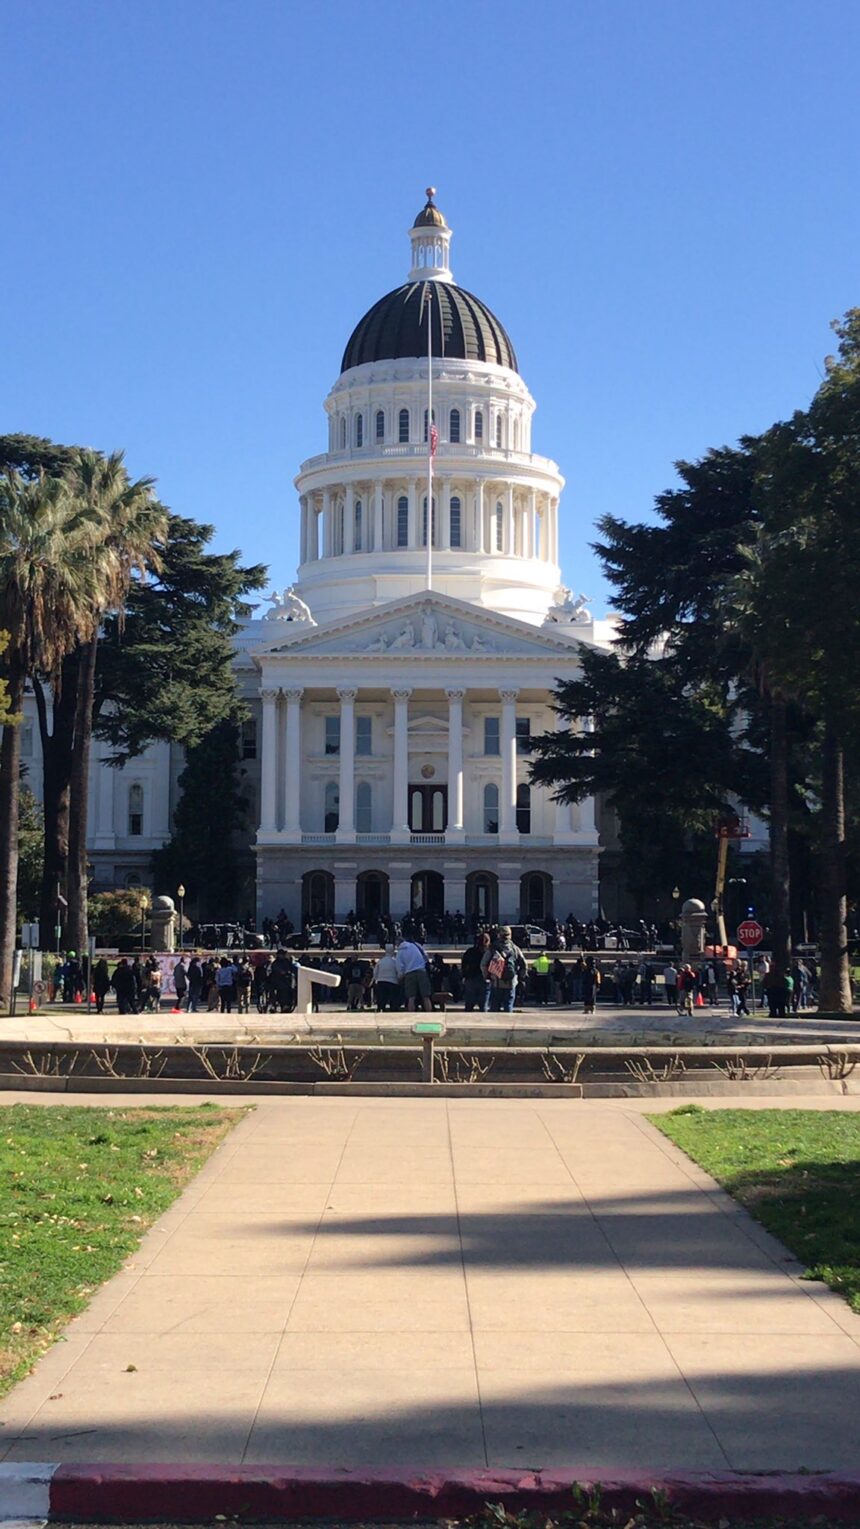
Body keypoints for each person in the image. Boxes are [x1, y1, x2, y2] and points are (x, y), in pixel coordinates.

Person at [481, 926, 525, 1014]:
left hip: (496, 982)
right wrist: (520, 977)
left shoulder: (493, 949)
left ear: (499, 935)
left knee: (494, 1007)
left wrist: (487, 976)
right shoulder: (515, 949)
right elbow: (524, 964)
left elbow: (483, 964)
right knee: (508, 1006)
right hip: (511, 982)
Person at [395, 936, 432, 1012]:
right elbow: (425, 956)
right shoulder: (415, 945)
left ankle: (411, 1014)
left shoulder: (400, 953)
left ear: (397, 944)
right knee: (426, 996)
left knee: (411, 997)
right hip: (421, 971)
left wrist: (400, 977)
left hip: (409, 973)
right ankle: (429, 1013)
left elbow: (400, 967)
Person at [372, 945, 400, 1011]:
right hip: (393, 983)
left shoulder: (380, 961)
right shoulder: (395, 962)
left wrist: (375, 979)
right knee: (393, 1000)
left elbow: (375, 972)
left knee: (381, 1000)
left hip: (381, 982)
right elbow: (399, 972)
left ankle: (381, 1009)